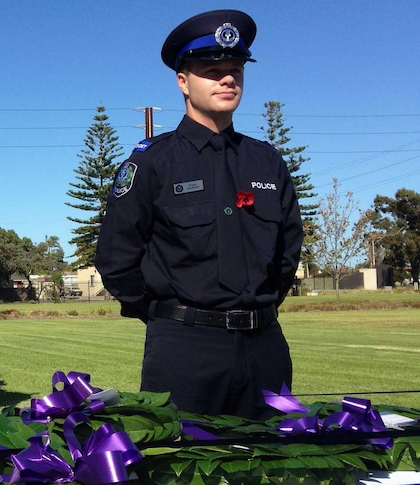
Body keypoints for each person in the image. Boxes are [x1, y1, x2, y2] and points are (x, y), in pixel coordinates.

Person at [94, 10, 304, 421]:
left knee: (272, 467)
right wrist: (168, 316)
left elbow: (286, 252)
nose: (228, 79)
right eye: (212, 70)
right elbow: (117, 259)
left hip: (265, 348)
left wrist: (257, 308)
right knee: (180, 470)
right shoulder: (153, 164)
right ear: (183, 81)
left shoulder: (266, 162)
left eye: (235, 69)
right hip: (185, 351)